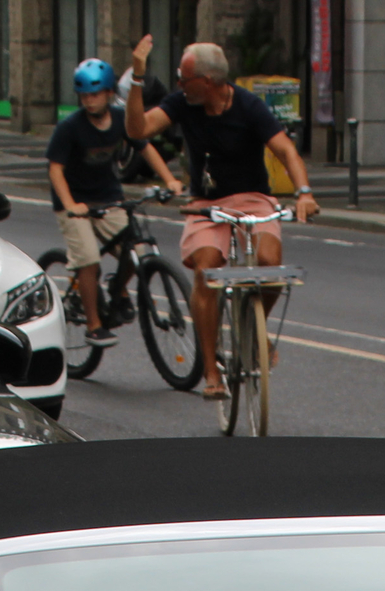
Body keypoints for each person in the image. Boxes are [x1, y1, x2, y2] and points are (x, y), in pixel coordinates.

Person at [123, 36, 317, 400]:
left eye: (185, 78)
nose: (179, 84)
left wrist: (304, 191)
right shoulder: (182, 103)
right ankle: (211, 370)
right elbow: (137, 130)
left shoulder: (248, 106)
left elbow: (285, 149)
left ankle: (251, 328)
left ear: (209, 81)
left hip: (253, 199)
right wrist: (137, 77)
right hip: (207, 203)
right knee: (207, 269)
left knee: (269, 265)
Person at [49, 58, 181, 345]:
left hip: (108, 197)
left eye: (95, 94)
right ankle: (94, 325)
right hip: (74, 203)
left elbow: (145, 147)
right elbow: (55, 170)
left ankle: (118, 290)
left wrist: (169, 179)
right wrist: (71, 205)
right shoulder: (70, 128)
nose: (89, 101)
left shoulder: (121, 120)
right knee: (89, 259)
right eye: (84, 95)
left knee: (132, 248)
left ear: (110, 93)